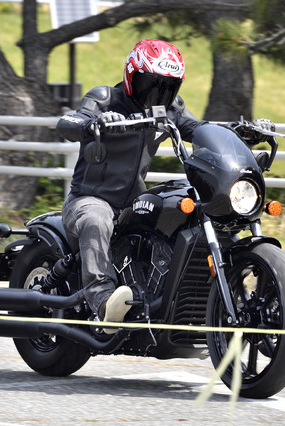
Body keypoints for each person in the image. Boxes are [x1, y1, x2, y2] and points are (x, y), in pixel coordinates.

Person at [56, 39, 206, 332]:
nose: (157, 94)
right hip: (88, 200)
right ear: (131, 76)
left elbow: (197, 128)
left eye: (167, 87)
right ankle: (103, 303)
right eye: (150, 84)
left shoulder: (170, 108)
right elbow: (68, 121)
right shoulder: (105, 98)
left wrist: (236, 130)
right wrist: (93, 124)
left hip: (130, 204)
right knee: (97, 217)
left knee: (177, 205)